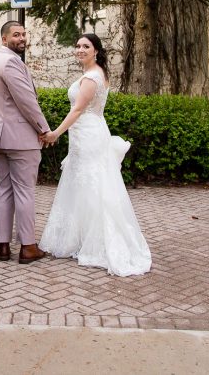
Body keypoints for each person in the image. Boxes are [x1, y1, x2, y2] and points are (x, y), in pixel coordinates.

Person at [39, 33, 151, 276]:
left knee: (92, 184)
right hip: (86, 134)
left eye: (85, 46)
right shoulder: (96, 73)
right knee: (84, 184)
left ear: (96, 51)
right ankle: (81, 237)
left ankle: (98, 241)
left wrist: (55, 133)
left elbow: (78, 109)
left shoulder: (91, 77)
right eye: (77, 45)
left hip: (89, 135)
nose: (80, 49)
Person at [0, 21, 53, 264]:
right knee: (24, 191)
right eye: (15, 35)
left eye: (23, 34)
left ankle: (2, 246)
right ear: (4, 39)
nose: (21, 38)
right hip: (18, 138)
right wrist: (44, 129)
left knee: (4, 189)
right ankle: (28, 247)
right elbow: (27, 101)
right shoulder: (11, 62)